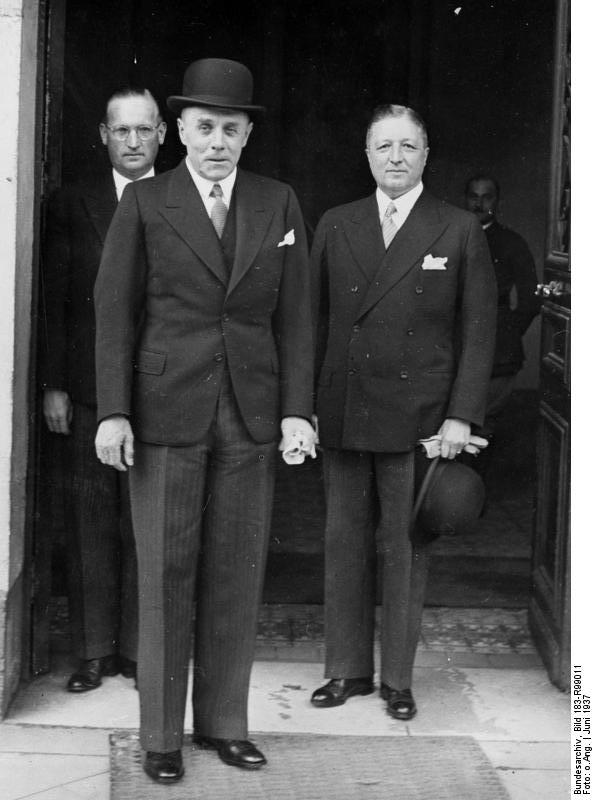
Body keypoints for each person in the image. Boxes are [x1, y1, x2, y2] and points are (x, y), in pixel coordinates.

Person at [93, 58, 315, 784]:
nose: (217, 141)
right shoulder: (147, 204)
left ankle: (224, 724)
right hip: (164, 412)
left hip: (249, 415)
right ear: (179, 130)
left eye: (231, 127)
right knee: (164, 574)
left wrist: (294, 414)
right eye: (205, 127)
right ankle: (159, 737)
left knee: (235, 575)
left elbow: (297, 319)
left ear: (247, 135)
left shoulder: (277, 202)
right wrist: (115, 411)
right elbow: (114, 313)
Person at [309, 104, 497, 721]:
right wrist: (302, 408)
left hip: (420, 418)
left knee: (405, 545)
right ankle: (346, 671)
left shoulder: (457, 227)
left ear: (425, 157)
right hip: (343, 408)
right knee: (343, 541)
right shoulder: (336, 223)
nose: (395, 157)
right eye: (383, 146)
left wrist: (461, 416)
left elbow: (479, 331)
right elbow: (310, 322)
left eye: (407, 147)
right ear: (366, 155)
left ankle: (397, 679)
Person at [41, 87, 166, 692]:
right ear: (103, 135)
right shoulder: (73, 204)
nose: (134, 142)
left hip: (163, 390)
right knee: (90, 519)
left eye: (145, 130)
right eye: (123, 131)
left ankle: (144, 652)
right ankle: (94, 652)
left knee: (148, 523)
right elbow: (58, 300)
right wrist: (54, 384)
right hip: (90, 388)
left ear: (164, 134)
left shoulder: (185, 199)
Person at [464, 175, 540, 435]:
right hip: (453, 343)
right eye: (474, 196)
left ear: (497, 201)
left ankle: (476, 476)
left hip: (498, 349)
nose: (479, 203)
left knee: (484, 426)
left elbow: (531, 299)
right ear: (466, 199)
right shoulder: (449, 239)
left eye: (487, 196)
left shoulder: (512, 242)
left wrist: (506, 332)